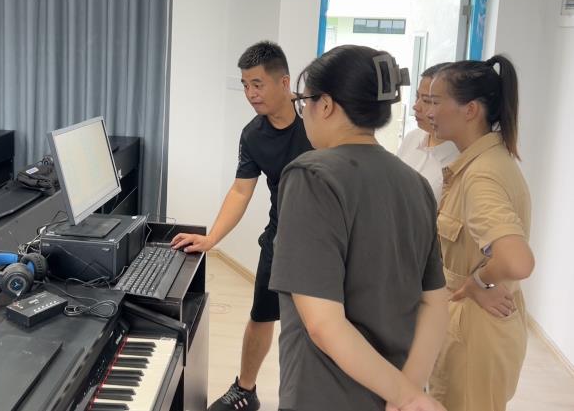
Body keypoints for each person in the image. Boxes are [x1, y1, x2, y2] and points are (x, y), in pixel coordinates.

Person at [269, 45, 449, 411]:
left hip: (325, 396)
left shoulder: (313, 177)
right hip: (391, 392)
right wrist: (407, 391)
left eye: (304, 102)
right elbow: (435, 302)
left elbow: (322, 323)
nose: (304, 114)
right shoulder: (414, 184)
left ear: (326, 105)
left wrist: (406, 396)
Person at [171, 41, 312, 411]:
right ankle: (245, 390)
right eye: (246, 85)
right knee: (261, 316)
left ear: (284, 83)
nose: (251, 94)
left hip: (325, 240)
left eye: (258, 84)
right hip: (281, 237)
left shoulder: (317, 117)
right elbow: (240, 190)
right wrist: (212, 238)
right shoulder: (253, 134)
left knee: (316, 326)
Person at [426, 56, 534, 411]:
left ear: (470, 110)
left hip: (474, 334)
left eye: (435, 101)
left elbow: (516, 261)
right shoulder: (486, 162)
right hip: (475, 327)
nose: (428, 111)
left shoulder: (481, 175)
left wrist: (477, 283)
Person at [397, 63, 459, 202]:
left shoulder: (460, 156)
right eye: (417, 97)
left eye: (427, 100)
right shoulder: (413, 137)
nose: (416, 106)